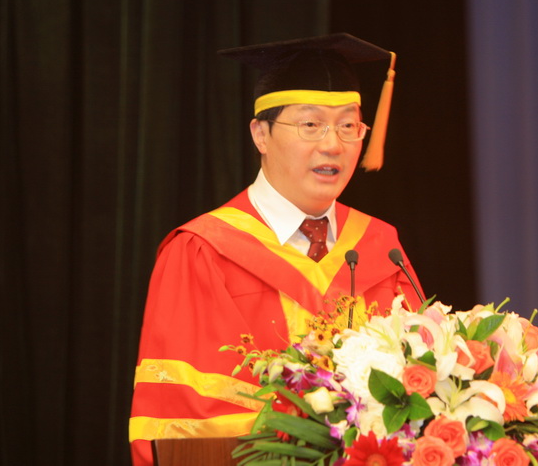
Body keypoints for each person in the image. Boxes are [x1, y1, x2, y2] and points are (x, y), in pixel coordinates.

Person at [128, 34, 425, 466]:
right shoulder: (204, 251)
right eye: (310, 125)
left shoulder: (381, 247)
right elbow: (190, 420)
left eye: (348, 126)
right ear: (261, 134)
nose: (333, 144)